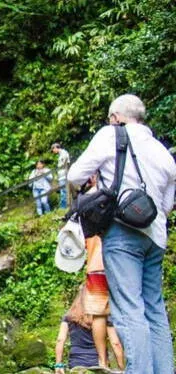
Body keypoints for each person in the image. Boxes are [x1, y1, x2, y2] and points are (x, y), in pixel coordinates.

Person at [67, 94, 176, 373]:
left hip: (122, 233)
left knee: (129, 308)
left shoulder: (110, 135)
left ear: (116, 117)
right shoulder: (163, 153)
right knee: (154, 309)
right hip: (155, 237)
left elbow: (74, 176)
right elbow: (165, 206)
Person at [54, 285, 124, 373]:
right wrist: (122, 368)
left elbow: (60, 340)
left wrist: (58, 364)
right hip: (98, 364)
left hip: (76, 363)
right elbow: (115, 343)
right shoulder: (102, 316)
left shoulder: (69, 316)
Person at [51, 143, 71, 209]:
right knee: (63, 191)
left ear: (55, 148)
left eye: (53, 149)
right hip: (61, 175)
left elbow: (65, 163)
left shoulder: (64, 153)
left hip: (64, 175)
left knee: (63, 191)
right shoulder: (60, 154)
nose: (53, 151)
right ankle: (64, 206)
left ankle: (63, 207)